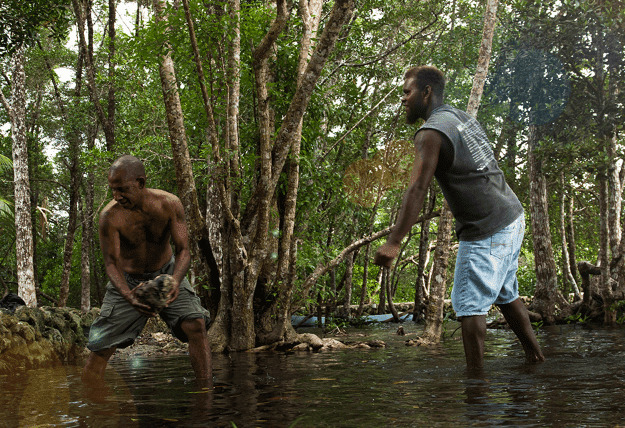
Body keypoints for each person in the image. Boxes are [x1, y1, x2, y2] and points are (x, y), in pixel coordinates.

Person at [373, 66, 544, 371]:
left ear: (426, 93)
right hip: (512, 216)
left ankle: (476, 388)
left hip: (486, 227)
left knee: (470, 307)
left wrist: (394, 242)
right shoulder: (461, 119)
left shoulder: (431, 132)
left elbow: (418, 188)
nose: (403, 99)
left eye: (407, 92)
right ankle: (535, 357)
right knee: (506, 294)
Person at [83, 155, 212, 385]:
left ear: (141, 183)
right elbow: (111, 263)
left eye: (122, 189)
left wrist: (174, 281)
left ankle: (206, 392)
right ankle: (88, 407)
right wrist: (129, 295)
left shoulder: (169, 204)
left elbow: (184, 250)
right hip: (127, 280)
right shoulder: (109, 217)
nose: (116, 196)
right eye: (113, 190)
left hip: (167, 272)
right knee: (100, 346)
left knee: (196, 324)